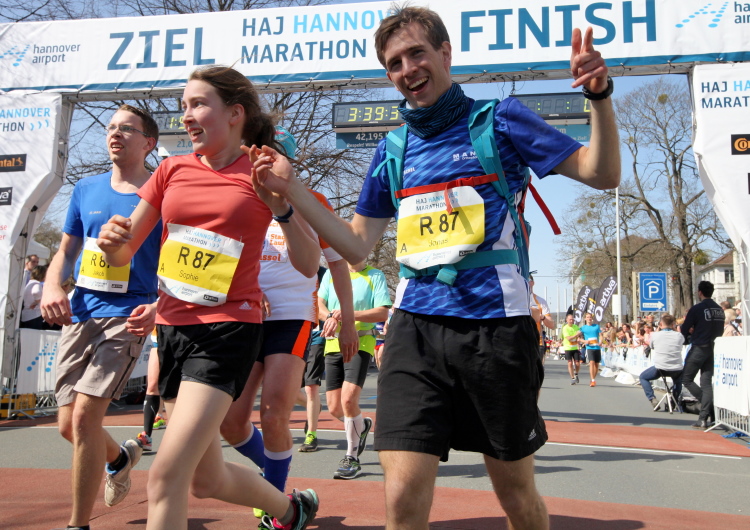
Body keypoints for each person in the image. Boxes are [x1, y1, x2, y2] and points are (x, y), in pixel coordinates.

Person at [249, 4, 620, 526]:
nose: (407, 70)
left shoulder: (500, 120)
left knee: (517, 497)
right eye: (394, 63)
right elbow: (356, 246)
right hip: (414, 330)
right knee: (402, 500)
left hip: (495, 328)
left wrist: (599, 97)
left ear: (445, 53)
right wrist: (292, 191)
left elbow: (602, 173)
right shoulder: (392, 148)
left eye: (416, 53)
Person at [96, 66, 318, 530]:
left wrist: (282, 208)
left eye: (198, 104)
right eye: (184, 106)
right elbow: (122, 253)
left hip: (227, 331)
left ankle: (285, 505)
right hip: (172, 330)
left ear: (235, 113)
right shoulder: (171, 169)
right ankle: (291, 509)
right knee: (204, 478)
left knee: (166, 477)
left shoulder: (262, 170)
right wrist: (112, 240)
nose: (186, 116)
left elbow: (307, 261)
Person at [218, 126, 356, 517]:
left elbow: (338, 264)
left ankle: (277, 507)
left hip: (292, 317)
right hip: (245, 315)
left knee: (274, 412)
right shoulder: (240, 199)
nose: (265, 161)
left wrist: (347, 321)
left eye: (275, 154)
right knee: (231, 423)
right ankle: (275, 476)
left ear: (289, 161)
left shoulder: (313, 201)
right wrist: (244, 288)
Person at [40, 104, 162, 530]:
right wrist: (54, 285)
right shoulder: (86, 188)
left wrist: (160, 306)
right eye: (111, 127)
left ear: (148, 143)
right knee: (67, 426)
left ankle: (78, 524)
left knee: (85, 419)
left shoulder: (161, 193)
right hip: (81, 313)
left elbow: (179, 259)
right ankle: (121, 458)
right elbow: (66, 250)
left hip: (128, 315)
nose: (115, 134)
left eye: (127, 128)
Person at [318, 260, 391, 479]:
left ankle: (351, 457)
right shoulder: (331, 274)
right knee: (334, 408)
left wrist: (348, 314)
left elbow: (382, 312)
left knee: (349, 400)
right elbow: (318, 304)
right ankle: (361, 424)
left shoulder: (375, 275)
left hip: (361, 341)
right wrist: (330, 316)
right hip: (333, 343)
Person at [681, 281, 725, 430]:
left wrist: (691, 332)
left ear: (700, 292)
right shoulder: (719, 309)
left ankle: (708, 408)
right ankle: (704, 417)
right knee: (706, 383)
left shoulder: (697, 308)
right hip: (713, 347)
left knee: (686, 379)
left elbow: (684, 329)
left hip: (700, 346)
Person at [639, 314, 685, 410]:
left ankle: (652, 398)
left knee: (643, 377)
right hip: (676, 367)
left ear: (660, 324)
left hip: (660, 368)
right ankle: (674, 401)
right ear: (673, 324)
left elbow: (651, 346)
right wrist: (675, 329)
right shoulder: (679, 335)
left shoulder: (655, 335)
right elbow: (682, 342)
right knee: (678, 381)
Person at [529, 274, 554, 364]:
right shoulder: (516, 300)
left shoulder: (541, 301)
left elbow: (551, 325)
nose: (526, 282)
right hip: (520, 341)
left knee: (537, 371)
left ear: (533, 283)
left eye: (528, 280)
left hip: (537, 342)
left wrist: (542, 317)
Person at [20, 265, 48, 329]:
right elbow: (36, 292)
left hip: (27, 315)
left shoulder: (30, 283)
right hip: (34, 315)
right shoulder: (36, 284)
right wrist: (38, 302)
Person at [579, 313, 602, 387]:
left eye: (590, 317)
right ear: (585, 319)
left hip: (597, 347)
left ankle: (593, 379)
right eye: (587, 317)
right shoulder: (583, 328)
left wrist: (601, 341)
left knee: (596, 364)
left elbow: (601, 335)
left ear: (592, 318)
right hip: (589, 348)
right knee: (591, 362)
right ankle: (593, 380)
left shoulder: (596, 326)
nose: (589, 318)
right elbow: (578, 338)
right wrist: (585, 341)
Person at [562, 314, 583, 385]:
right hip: (568, 348)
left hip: (575, 348)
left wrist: (578, 337)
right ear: (567, 320)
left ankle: (576, 374)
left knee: (577, 363)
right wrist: (576, 335)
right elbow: (568, 338)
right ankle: (572, 378)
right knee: (570, 363)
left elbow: (579, 335)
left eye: (572, 319)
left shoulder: (576, 327)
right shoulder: (565, 328)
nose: (571, 321)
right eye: (570, 319)